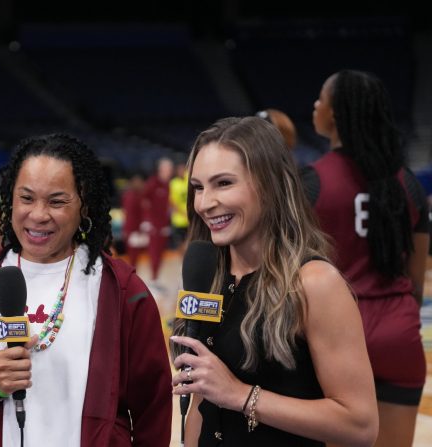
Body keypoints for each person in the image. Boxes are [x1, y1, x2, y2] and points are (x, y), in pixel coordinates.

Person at [0, 133, 173, 446]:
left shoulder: (122, 290)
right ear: (9, 199)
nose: (38, 215)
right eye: (26, 198)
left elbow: (154, 410)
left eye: (57, 201)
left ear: (84, 206)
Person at [170, 116, 378, 446]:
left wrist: (241, 395)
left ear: (270, 184)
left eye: (224, 183)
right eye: (198, 187)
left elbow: (360, 425)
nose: (205, 203)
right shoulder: (204, 270)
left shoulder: (315, 283)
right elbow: (201, 395)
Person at [302, 69, 430, 447]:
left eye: (320, 99)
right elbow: (417, 281)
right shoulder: (407, 183)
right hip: (398, 334)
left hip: (336, 337)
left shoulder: (310, 181)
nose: (314, 106)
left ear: (335, 114)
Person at [144, 156, 174, 280]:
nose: (170, 171)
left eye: (171, 169)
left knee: (161, 253)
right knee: (154, 253)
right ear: (161, 169)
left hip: (164, 225)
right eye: (168, 169)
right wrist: (147, 221)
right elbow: (144, 202)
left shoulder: (168, 185)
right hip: (153, 226)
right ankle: (152, 279)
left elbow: (168, 204)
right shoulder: (152, 183)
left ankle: (155, 279)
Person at [120, 171, 148, 269]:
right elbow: (129, 215)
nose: (140, 185)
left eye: (140, 182)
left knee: (136, 257)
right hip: (132, 230)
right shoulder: (129, 196)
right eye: (137, 182)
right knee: (132, 256)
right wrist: (127, 231)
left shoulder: (141, 196)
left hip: (137, 229)